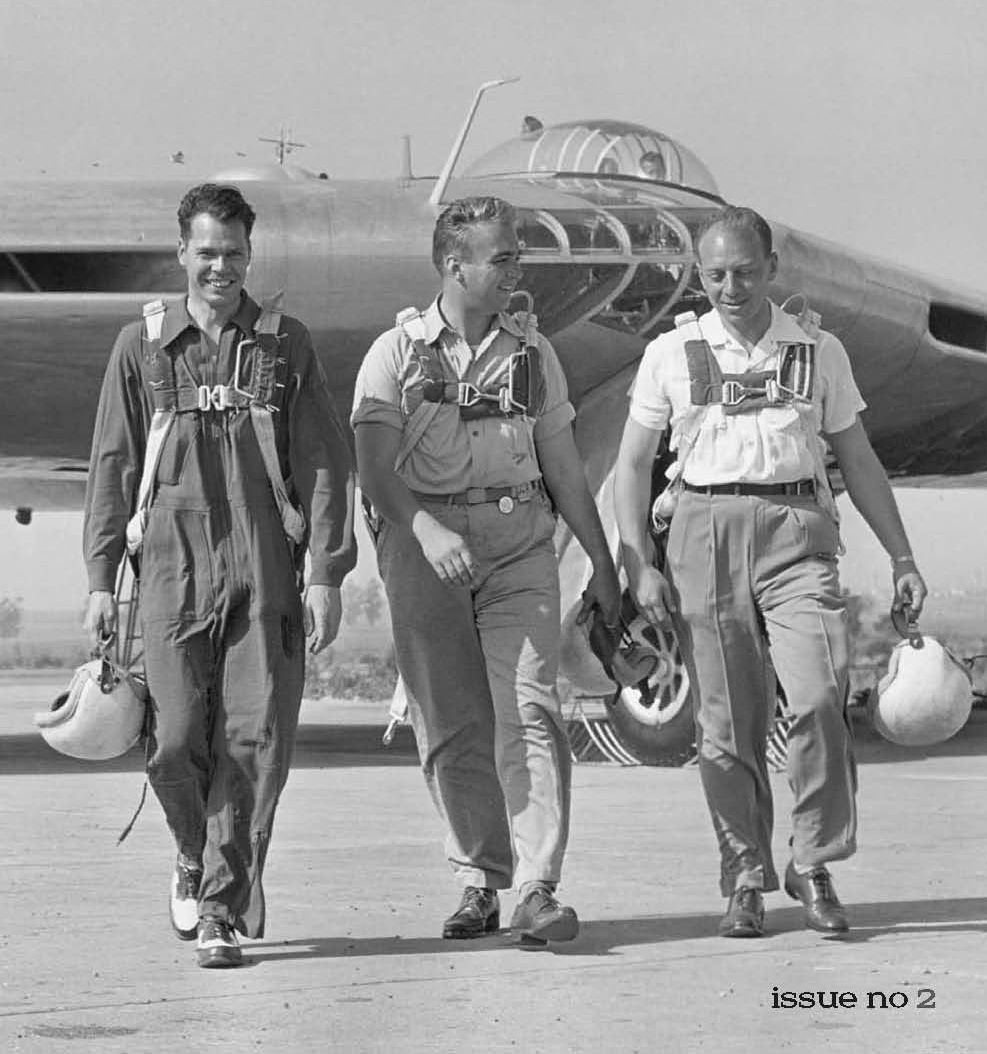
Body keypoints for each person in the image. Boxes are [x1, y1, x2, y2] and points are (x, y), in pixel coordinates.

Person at [614, 206, 927, 939]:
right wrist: (637, 562)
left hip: (797, 534)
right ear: (699, 274)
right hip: (701, 533)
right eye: (717, 274)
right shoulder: (670, 352)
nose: (731, 287)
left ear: (772, 270)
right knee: (727, 727)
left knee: (819, 695)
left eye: (746, 273)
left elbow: (858, 458)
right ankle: (745, 876)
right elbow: (633, 464)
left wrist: (903, 555)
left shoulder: (819, 351)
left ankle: (812, 860)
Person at [82, 183, 356, 968]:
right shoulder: (142, 347)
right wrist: (102, 576)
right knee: (171, 739)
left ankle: (220, 909)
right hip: (171, 560)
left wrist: (327, 572)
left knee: (252, 737)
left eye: (234, 253)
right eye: (206, 252)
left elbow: (325, 459)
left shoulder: (283, 344)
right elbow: (112, 461)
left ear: (250, 255)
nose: (221, 267)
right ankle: (191, 850)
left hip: (265, 557)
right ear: (181, 254)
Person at [352, 195, 619, 943]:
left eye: (515, 256)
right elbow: (374, 468)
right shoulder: (396, 354)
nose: (515, 270)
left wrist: (600, 562)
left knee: (530, 706)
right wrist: (427, 529)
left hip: (518, 546)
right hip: (423, 546)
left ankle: (537, 886)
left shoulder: (534, 353)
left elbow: (563, 465)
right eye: (502, 257)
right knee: (449, 723)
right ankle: (479, 878)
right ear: (454, 265)